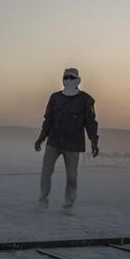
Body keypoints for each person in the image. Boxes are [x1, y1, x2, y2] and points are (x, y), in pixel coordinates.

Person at [34, 68, 99, 214]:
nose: (68, 80)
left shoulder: (86, 100)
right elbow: (48, 120)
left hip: (73, 144)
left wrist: (94, 142)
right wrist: (41, 138)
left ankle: (68, 206)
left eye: (72, 77)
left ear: (78, 80)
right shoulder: (55, 98)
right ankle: (42, 202)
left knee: (71, 176)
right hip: (54, 142)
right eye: (66, 77)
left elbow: (91, 122)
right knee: (46, 172)